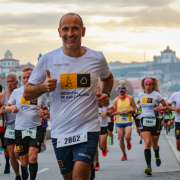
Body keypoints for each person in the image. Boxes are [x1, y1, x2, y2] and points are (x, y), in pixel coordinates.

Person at [24, 12, 114, 180]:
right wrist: (43, 87)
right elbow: (27, 93)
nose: (70, 33)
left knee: (79, 175)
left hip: (88, 129)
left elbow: (108, 78)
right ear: (59, 32)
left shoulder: (96, 58)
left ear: (83, 31)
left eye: (75, 29)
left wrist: (106, 94)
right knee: (69, 177)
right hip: (61, 132)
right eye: (65, 29)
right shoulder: (48, 59)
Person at [6, 67, 49, 180]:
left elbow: (45, 109)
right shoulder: (16, 92)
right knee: (24, 162)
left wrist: (44, 112)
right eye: (24, 77)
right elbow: (7, 106)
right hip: (20, 130)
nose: (26, 79)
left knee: (33, 157)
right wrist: (12, 108)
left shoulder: (40, 92)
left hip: (36, 128)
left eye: (29, 76)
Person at [138, 77, 167, 176]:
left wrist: (159, 107)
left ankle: (157, 154)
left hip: (155, 121)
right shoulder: (140, 95)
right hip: (144, 120)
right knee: (147, 143)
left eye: (150, 84)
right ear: (144, 85)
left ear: (153, 85)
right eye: (147, 84)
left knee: (155, 144)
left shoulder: (157, 95)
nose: (149, 86)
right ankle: (148, 166)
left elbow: (165, 106)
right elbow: (138, 107)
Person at [0, 74, 21, 180]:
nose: (9, 83)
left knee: (18, 153)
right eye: (7, 81)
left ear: (16, 82)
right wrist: (2, 110)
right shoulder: (3, 96)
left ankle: (24, 166)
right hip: (9, 127)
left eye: (11, 81)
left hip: (21, 125)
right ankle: (17, 175)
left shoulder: (21, 93)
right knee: (11, 153)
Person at [110, 83, 136, 161]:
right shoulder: (115, 101)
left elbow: (135, 109)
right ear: (118, 92)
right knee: (120, 138)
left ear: (125, 91)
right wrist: (119, 113)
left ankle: (128, 142)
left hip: (128, 121)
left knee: (127, 137)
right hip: (119, 122)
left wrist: (128, 110)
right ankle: (124, 154)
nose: (122, 92)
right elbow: (112, 113)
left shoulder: (130, 98)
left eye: (123, 90)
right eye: (120, 91)